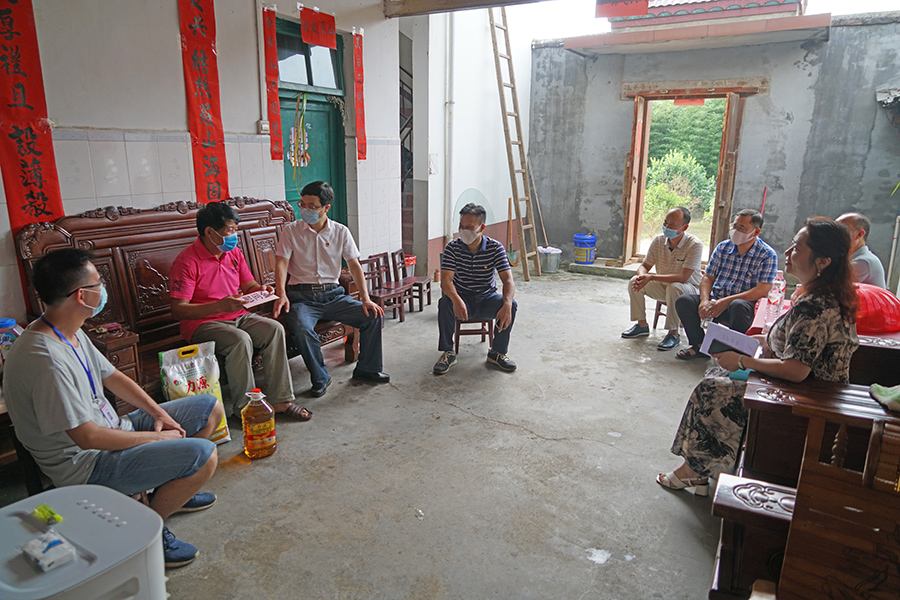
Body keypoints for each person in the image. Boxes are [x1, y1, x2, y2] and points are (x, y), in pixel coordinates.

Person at [4, 249, 223, 567]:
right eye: (99, 283)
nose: (103, 289)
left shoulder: (67, 329)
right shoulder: (45, 359)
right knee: (205, 456)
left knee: (210, 409)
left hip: (113, 429)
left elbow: (113, 377)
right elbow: (87, 438)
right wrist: (157, 438)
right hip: (87, 463)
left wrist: (159, 414)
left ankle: (169, 490)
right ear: (81, 295)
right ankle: (147, 528)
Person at [657, 217, 859, 496]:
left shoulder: (817, 305)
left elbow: (797, 369)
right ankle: (700, 468)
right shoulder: (817, 295)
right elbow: (795, 345)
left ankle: (695, 470)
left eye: (798, 248)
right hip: (802, 384)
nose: (788, 253)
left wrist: (743, 360)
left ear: (822, 261)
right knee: (715, 375)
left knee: (714, 389)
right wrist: (753, 342)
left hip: (809, 394)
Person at [170, 202, 310, 420]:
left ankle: (280, 400)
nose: (233, 236)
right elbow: (179, 310)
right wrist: (219, 306)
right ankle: (245, 409)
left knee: (274, 329)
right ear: (210, 232)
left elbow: (249, 285)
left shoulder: (233, 253)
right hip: (202, 323)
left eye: (235, 230)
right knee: (240, 340)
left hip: (237, 315)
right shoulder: (187, 262)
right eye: (229, 230)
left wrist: (261, 290)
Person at [273, 181, 389, 397]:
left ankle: (367, 369)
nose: (305, 209)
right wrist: (281, 294)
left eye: (311, 206)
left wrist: (365, 298)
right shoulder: (291, 231)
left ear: (326, 208)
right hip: (302, 298)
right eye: (302, 204)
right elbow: (281, 263)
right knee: (301, 327)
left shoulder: (340, 231)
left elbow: (354, 265)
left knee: (373, 315)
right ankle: (321, 377)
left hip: (333, 296)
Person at [674, 209, 777, 360]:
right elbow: (708, 277)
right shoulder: (723, 247)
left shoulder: (767, 255)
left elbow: (762, 289)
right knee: (684, 301)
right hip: (716, 299)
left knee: (738, 305)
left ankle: (733, 352)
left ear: (756, 232)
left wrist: (726, 301)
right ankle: (700, 345)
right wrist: (704, 300)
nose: (736, 231)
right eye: (734, 226)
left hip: (743, 305)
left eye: (742, 228)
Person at [433, 203, 517, 375]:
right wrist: (456, 300)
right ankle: (448, 352)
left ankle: (497, 353)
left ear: (482, 227)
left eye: (469, 227)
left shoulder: (495, 247)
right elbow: (446, 281)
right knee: (445, 303)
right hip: (462, 297)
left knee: (511, 305)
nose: (464, 231)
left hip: (487, 298)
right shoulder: (452, 248)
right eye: (461, 226)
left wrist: (507, 305)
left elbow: (508, 280)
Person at [621, 206, 703, 351]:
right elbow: (645, 265)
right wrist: (642, 276)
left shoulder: (694, 245)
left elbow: (683, 277)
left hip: (689, 290)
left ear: (684, 227)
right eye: (665, 222)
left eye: (672, 225)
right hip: (665, 286)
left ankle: (673, 333)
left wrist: (651, 277)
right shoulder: (659, 241)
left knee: (675, 287)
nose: (667, 227)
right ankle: (641, 325)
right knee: (634, 281)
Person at [836, 212, 886, 288]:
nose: (835, 234)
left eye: (843, 229)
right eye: (835, 229)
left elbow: (830, 288)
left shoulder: (863, 262)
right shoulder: (849, 257)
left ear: (859, 234)